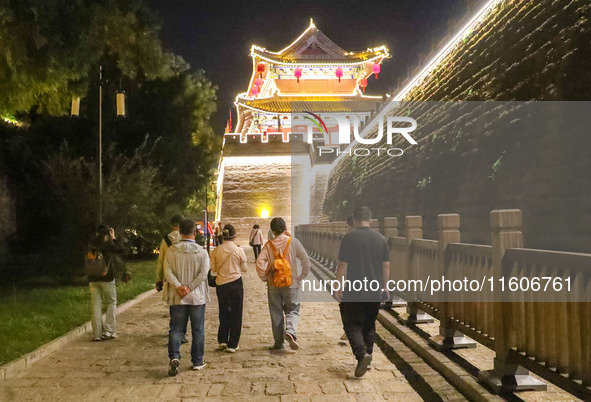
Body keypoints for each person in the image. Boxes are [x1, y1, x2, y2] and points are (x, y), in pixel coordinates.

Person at [335, 206, 390, 378]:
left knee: (351, 323)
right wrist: (385, 286)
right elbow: (386, 265)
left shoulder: (349, 238)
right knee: (369, 325)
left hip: (354, 289)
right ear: (370, 220)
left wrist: (338, 286)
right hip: (374, 289)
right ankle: (369, 358)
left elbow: (342, 265)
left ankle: (362, 355)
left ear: (355, 220)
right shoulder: (381, 239)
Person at [256, 217, 310, 351]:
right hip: (291, 283)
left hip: (274, 284)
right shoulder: (293, 242)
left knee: (276, 313)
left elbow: (259, 263)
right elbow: (305, 260)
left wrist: (264, 276)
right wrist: (301, 276)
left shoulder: (268, 245)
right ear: (285, 228)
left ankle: (279, 343)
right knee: (293, 309)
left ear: (272, 231)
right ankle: (290, 332)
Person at [164, 219, 210, 375]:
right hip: (196, 297)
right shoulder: (202, 252)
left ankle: (174, 356)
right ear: (195, 233)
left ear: (179, 232)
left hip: (178, 297)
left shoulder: (171, 251)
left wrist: (179, 286)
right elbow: (203, 274)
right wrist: (189, 287)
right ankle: (197, 360)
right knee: (198, 330)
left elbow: (167, 271)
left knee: (176, 328)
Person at [210, 224, 248, 353]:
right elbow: (244, 269)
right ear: (234, 236)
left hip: (221, 284)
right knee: (236, 313)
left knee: (223, 311)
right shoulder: (238, 250)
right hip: (235, 283)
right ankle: (233, 343)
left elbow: (213, 269)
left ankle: (222, 339)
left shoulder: (216, 251)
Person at [88, 224, 128, 341]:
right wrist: (114, 238)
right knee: (111, 302)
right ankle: (109, 331)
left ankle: (97, 334)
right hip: (107, 278)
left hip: (92, 279)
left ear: (97, 233)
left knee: (96, 305)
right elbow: (121, 250)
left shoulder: (92, 245)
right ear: (108, 234)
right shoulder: (108, 245)